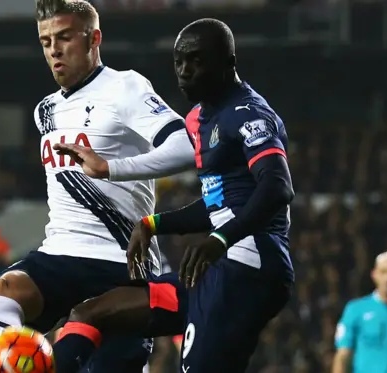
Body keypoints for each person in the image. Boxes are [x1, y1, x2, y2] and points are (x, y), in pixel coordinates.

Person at [0, 1, 195, 373]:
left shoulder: (126, 87)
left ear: (94, 38)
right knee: (4, 291)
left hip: (121, 263)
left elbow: (186, 147)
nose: (54, 50)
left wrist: (110, 168)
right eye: (45, 42)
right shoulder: (45, 110)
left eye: (64, 38)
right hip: (61, 253)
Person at [48, 18, 294, 373]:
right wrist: (153, 223)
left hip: (250, 267)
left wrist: (220, 239)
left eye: (195, 60)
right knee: (92, 313)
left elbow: (277, 187)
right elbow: (218, 205)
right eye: (179, 62)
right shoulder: (196, 119)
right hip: (215, 268)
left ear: (228, 62)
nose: (184, 71)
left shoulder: (249, 114)